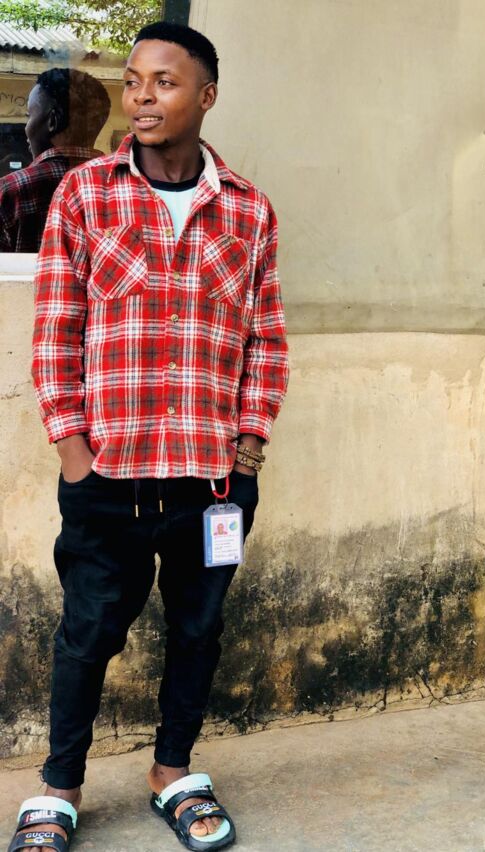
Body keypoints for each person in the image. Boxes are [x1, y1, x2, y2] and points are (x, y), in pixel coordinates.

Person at [8, 21, 288, 852]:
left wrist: (246, 454)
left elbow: (266, 342)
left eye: (164, 82)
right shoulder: (84, 196)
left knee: (198, 631)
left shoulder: (249, 211)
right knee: (88, 633)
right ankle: (59, 788)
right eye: (132, 81)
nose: (141, 97)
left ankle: (173, 772)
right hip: (110, 475)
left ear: (206, 96)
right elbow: (56, 333)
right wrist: (75, 456)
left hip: (211, 480)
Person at [0, 68, 110, 253]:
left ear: (52, 121)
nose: (26, 128)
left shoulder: (10, 192)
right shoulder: (127, 187)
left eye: (29, 116)